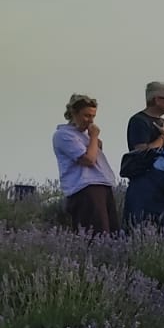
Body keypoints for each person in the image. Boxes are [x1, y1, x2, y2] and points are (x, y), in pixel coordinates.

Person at [52, 93, 120, 235]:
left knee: (111, 233)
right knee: (96, 233)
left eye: (93, 116)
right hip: (85, 188)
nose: (90, 121)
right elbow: (88, 160)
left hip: (102, 184)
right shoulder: (64, 135)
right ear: (73, 113)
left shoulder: (84, 135)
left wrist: (93, 140)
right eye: (86, 116)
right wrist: (94, 137)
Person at [123, 81, 164, 176]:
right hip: (148, 181)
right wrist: (163, 137)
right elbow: (142, 153)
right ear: (156, 100)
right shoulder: (139, 121)